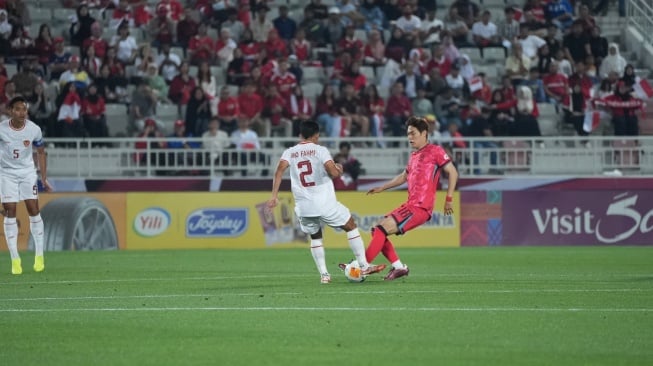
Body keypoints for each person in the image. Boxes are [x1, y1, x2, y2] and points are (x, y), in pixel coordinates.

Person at [266, 120, 386, 284]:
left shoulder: (290, 152)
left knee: (315, 237)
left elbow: (278, 171)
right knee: (350, 225)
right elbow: (333, 173)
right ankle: (364, 265)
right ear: (316, 136)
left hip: (303, 207)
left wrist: (274, 196)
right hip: (324, 203)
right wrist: (339, 169)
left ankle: (324, 275)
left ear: (300, 135)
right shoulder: (320, 150)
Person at [340, 116, 458, 281]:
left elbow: (452, 172)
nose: (410, 137)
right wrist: (382, 187)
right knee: (377, 230)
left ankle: (362, 265)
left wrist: (449, 198)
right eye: (408, 134)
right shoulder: (413, 156)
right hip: (411, 205)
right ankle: (399, 267)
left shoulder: (435, 151)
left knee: (381, 230)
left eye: (413, 133)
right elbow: (403, 177)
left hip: (421, 207)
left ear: (424, 133)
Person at [0, 96, 53, 275]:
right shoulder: (1, 129)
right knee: (10, 210)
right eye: (18, 109)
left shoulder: (34, 129)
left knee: (33, 208)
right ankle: (15, 259)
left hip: (27, 172)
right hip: (6, 173)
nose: (22, 113)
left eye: (24, 109)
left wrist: (43, 177)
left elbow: (41, 152)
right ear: (10, 111)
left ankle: (39, 255)